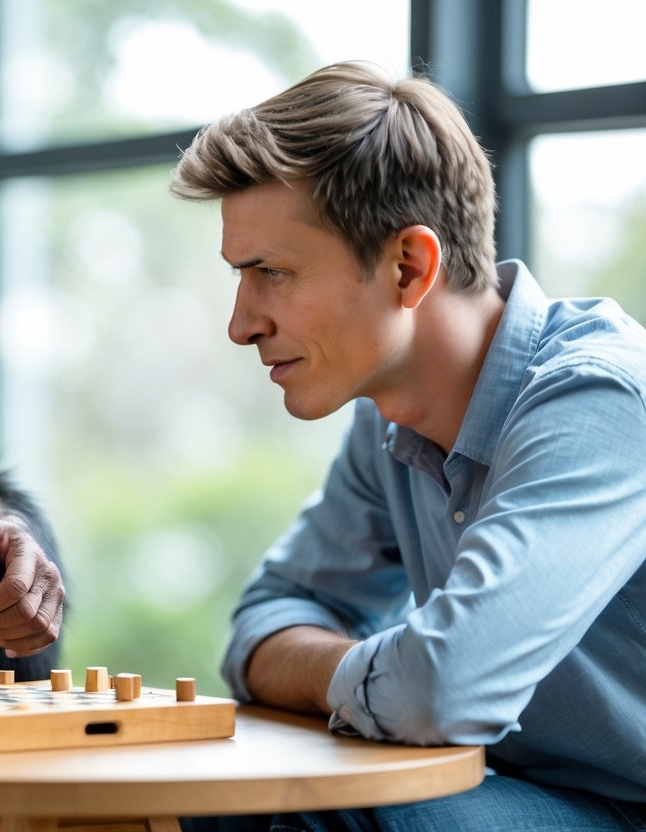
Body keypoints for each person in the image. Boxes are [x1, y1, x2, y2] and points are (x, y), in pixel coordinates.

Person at [170, 62, 646, 831]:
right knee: (215, 801)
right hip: (522, 788)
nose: (241, 322)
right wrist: (380, 669)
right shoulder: (388, 418)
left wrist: (399, 672)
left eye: (272, 273)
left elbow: (441, 690)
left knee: (351, 817)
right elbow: (264, 623)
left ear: (408, 267)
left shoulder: (600, 401)